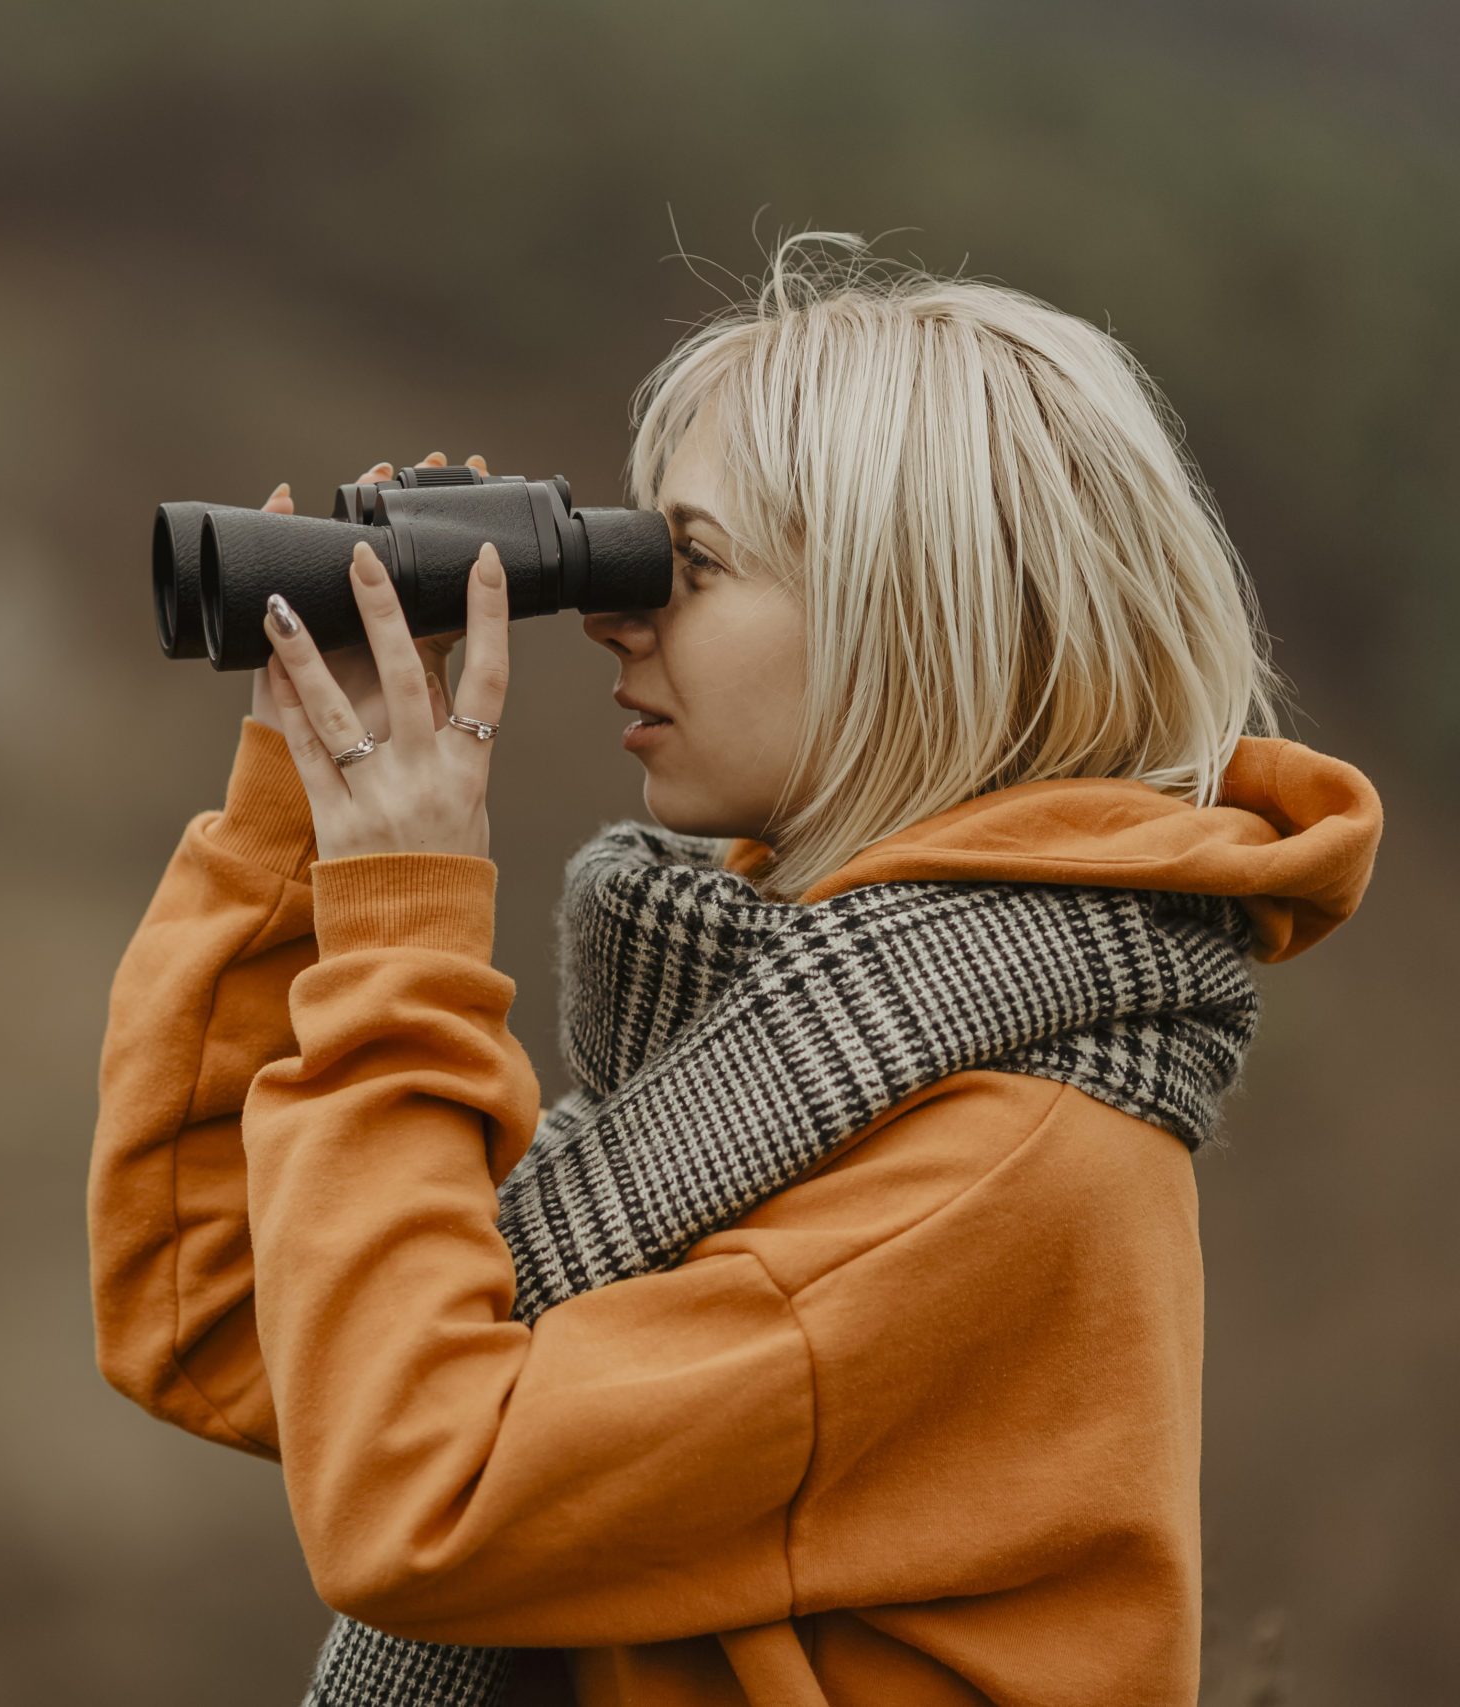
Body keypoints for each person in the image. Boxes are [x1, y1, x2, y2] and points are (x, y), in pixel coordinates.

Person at [85, 237, 1382, 1707]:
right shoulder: (780, 1066)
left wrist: (401, 921)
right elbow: (209, 1306)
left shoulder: (1003, 1154)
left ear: (913, 619)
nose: (615, 614)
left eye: (686, 563)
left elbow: (427, 1498)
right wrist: (299, 805)